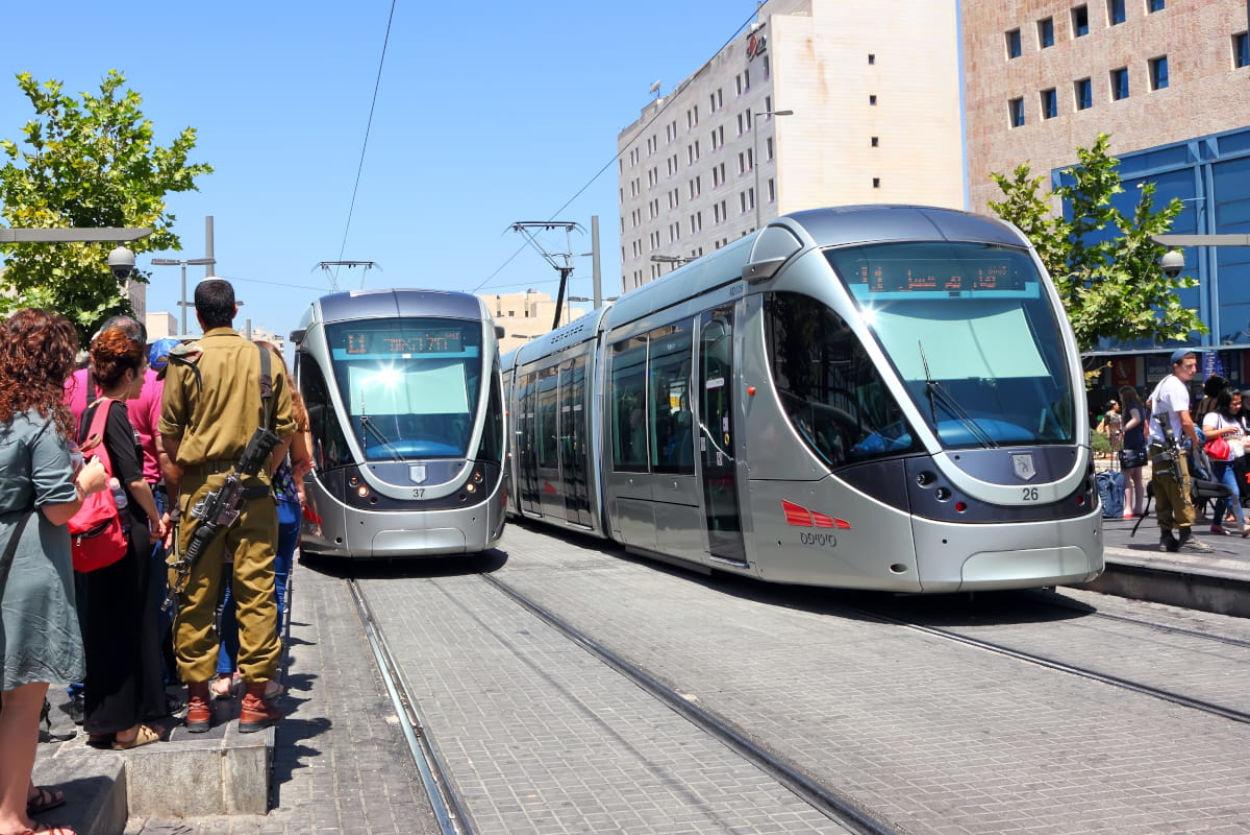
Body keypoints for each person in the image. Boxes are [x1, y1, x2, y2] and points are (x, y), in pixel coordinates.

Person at [159, 278, 296, 734]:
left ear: (198, 315)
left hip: (200, 489)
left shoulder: (185, 360)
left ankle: (198, 702)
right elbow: (285, 427)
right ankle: (254, 700)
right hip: (254, 489)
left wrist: (187, 480)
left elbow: (169, 433)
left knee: (194, 589)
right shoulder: (265, 359)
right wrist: (263, 471)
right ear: (234, 310)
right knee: (256, 591)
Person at [0, 309, 108, 835]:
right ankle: (11, 819)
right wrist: (88, 480)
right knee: (23, 700)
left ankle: (17, 793)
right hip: (25, 567)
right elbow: (59, 508)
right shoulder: (37, 418)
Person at [77, 328, 169, 749]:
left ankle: (102, 720)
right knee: (133, 624)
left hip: (97, 534)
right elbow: (134, 479)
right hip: (123, 532)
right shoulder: (116, 412)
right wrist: (156, 517)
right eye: (142, 370)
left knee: (103, 625)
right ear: (128, 372)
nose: (145, 377)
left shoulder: (89, 412)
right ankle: (129, 727)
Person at [211, 342, 310, 701]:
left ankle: (226, 673)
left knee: (232, 590)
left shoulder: (236, 403)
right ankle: (263, 675)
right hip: (281, 504)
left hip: (238, 503)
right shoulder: (294, 407)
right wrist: (289, 476)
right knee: (274, 589)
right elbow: (304, 460)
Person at [1147, 349, 1211, 553]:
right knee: (1180, 488)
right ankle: (1186, 535)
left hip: (1157, 445)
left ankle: (1166, 536)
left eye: (1195, 366)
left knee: (1163, 491)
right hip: (1171, 446)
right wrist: (1195, 440)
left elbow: (1149, 402)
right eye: (1188, 366)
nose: (1193, 370)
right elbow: (1185, 420)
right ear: (1176, 366)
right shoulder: (1177, 386)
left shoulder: (1164, 382)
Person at [1203, 388, 1249, 537]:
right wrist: (1225, 430)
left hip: (1238, 459)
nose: (1238, 406)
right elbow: (1206, 434)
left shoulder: (1239, 418)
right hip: (1221, 461)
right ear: (1225, 403)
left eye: (1239, 403)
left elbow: (1241, 437)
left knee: (1225, 493)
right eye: (1234, 403)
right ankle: (1242, 523)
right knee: (1232, 492)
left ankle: (1216, 524)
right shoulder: (1213, 416)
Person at [1118, 386, 1148, 518]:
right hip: (1140, 444)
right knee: (1137, 478)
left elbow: (1136, 419)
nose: (1120, 399)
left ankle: (1128, 508)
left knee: (1126, 477)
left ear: (1124, 396)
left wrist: (1123, 429)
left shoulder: (1131, 406)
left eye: (1120, 396)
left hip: (1131, 444)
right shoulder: (1140, 406)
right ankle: (1138, 508)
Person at [1097, 400, 1123, 465]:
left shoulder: (1118, 415)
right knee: (1113, 451)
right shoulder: (1108, 414)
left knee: (1117, 450)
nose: (1118, 406)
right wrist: (1108, 434)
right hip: (1112, 434)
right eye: (1117, 404)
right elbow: (1106, 424)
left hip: (1118, 434)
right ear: (1113, 406)